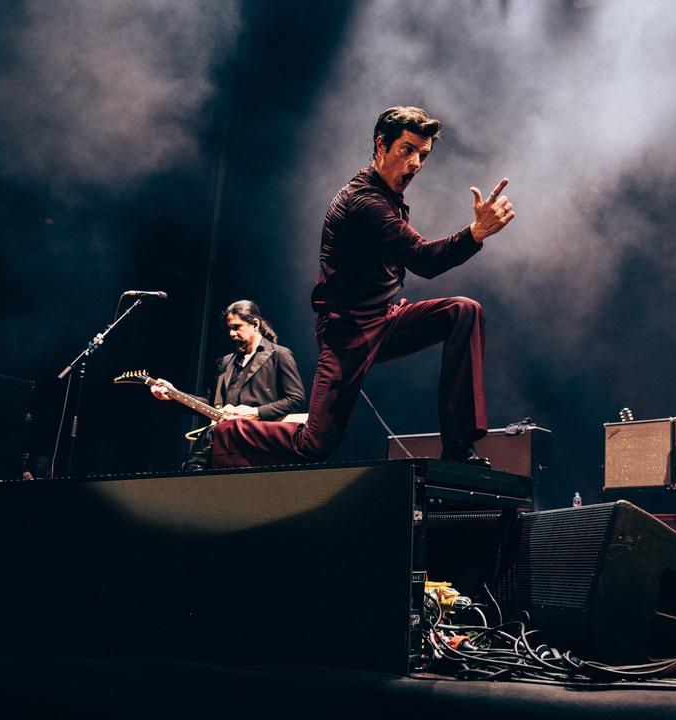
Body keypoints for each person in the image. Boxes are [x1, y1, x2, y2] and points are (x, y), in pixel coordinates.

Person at [210, 106, 513, 469]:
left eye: (424, 155)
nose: (416, 163)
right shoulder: (363, 201)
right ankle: (229, 433)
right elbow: (424, 260)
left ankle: (458, 447)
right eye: (408, 149)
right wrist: (475, 233)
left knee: (463, 311)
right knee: (315, 445)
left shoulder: (389, 199)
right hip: (347, 332)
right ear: (381, 145)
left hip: (386, 319)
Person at [149, 300, 306, 469]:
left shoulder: (279, 354)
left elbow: (296, 399)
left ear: (255, 324)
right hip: (226, 442)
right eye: (229, 328)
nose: (231, 333)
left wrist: (255, 412)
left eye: (236, 327)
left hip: (259, 442)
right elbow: (211, 404)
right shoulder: (225, 363)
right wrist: (173, 395)